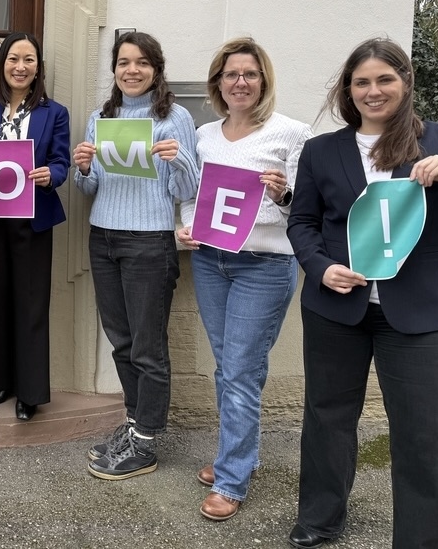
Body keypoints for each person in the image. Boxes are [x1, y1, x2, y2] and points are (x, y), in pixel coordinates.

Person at [286, 38, 438, 549]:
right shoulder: (323, 150)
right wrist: (321, 268)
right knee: (328, 418)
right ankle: (320, 518)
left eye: (385, 79)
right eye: (361, 82)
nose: (373, 91)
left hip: (419, 312)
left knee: (428, 432)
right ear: (348, 90)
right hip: (336, 308)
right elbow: (302, 220)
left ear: (406, 83)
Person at [176, 37, 312, 521]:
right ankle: (241, 454)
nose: (240, 82)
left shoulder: (291, 134)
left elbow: (304, 209)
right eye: (231, 74)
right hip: (212, 261)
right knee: (232, 367)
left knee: (237, 371)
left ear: (263, 81)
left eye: (249, 74)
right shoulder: (204, 134)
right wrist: (186, 224)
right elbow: (192, 193)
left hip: (264, 266)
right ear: (218, 83)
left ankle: (232, 479)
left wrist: (282, 195)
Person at [73, 31, 198, 481]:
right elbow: (89, 189)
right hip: (104, 237)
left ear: (156, 69)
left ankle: (145, 440)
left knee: (147, 347)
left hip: (150, 241)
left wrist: (179, 159)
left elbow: (188, 189)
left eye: (142, 62)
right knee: (122, 341)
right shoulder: (101, 117)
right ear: (114, 69)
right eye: (124, 62)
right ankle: (133, 424)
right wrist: (83, 167)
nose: (132, 70)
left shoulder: (174, 117)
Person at [0, 32, 70, 421]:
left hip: (33, 220)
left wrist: (50, 175)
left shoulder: (53, 112)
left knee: (31, 304)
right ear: (1, 64)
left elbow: (62, 162)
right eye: (13, 59)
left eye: (29, 60)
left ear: (38, 66)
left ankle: (30, 391)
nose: (20, 67)